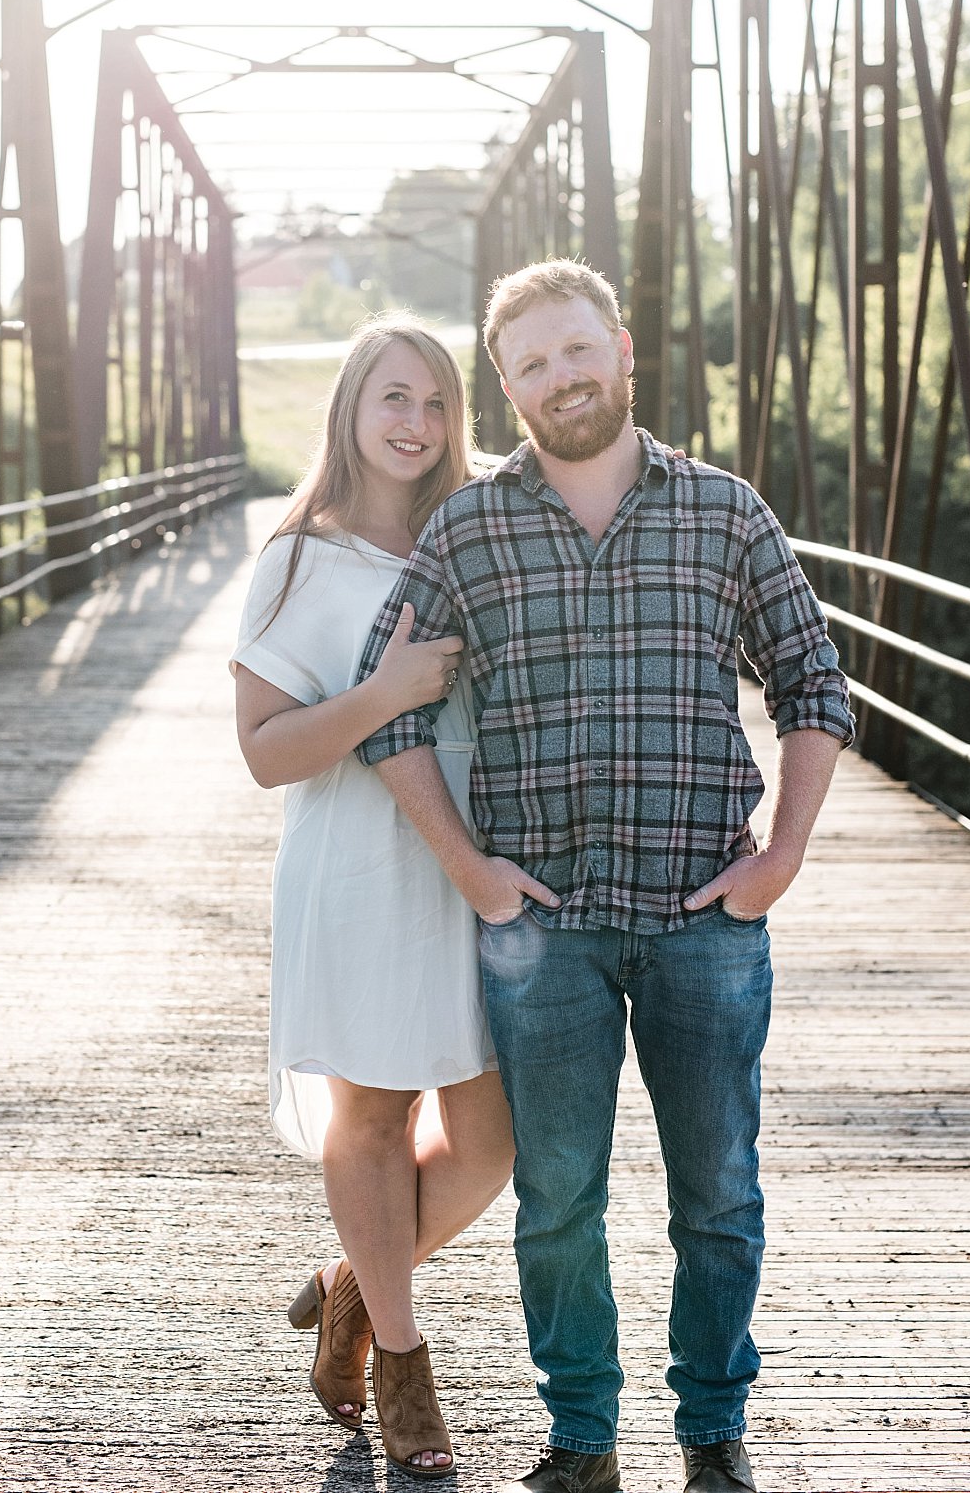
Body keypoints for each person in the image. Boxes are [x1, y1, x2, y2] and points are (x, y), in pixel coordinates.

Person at [355, 260, 855, 1493]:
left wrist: (781, 853)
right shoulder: (468, 529)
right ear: (506, 387)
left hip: (704, 917)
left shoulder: (725, 510)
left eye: (574, 352)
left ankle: (711, 1432)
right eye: (528, 365)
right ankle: (580, 1435)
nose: (558, 379)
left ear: (620, 349)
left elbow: (813, 684)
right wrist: (467, 868)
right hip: (545, 931)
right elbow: (383, 713)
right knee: (557, 1200)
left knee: (717, 1197)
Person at [231, 316, 516, 1479]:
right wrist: (384, 690)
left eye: (438, 402)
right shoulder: (298, 558)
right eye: (392, 398)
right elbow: (263, 751)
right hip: (357, 866)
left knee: (494, 1146)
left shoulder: (485, 534)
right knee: (376, 1116)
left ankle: (352, 1287)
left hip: (474, 861)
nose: (415, 423)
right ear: (350, 410)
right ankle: (398, 1361)